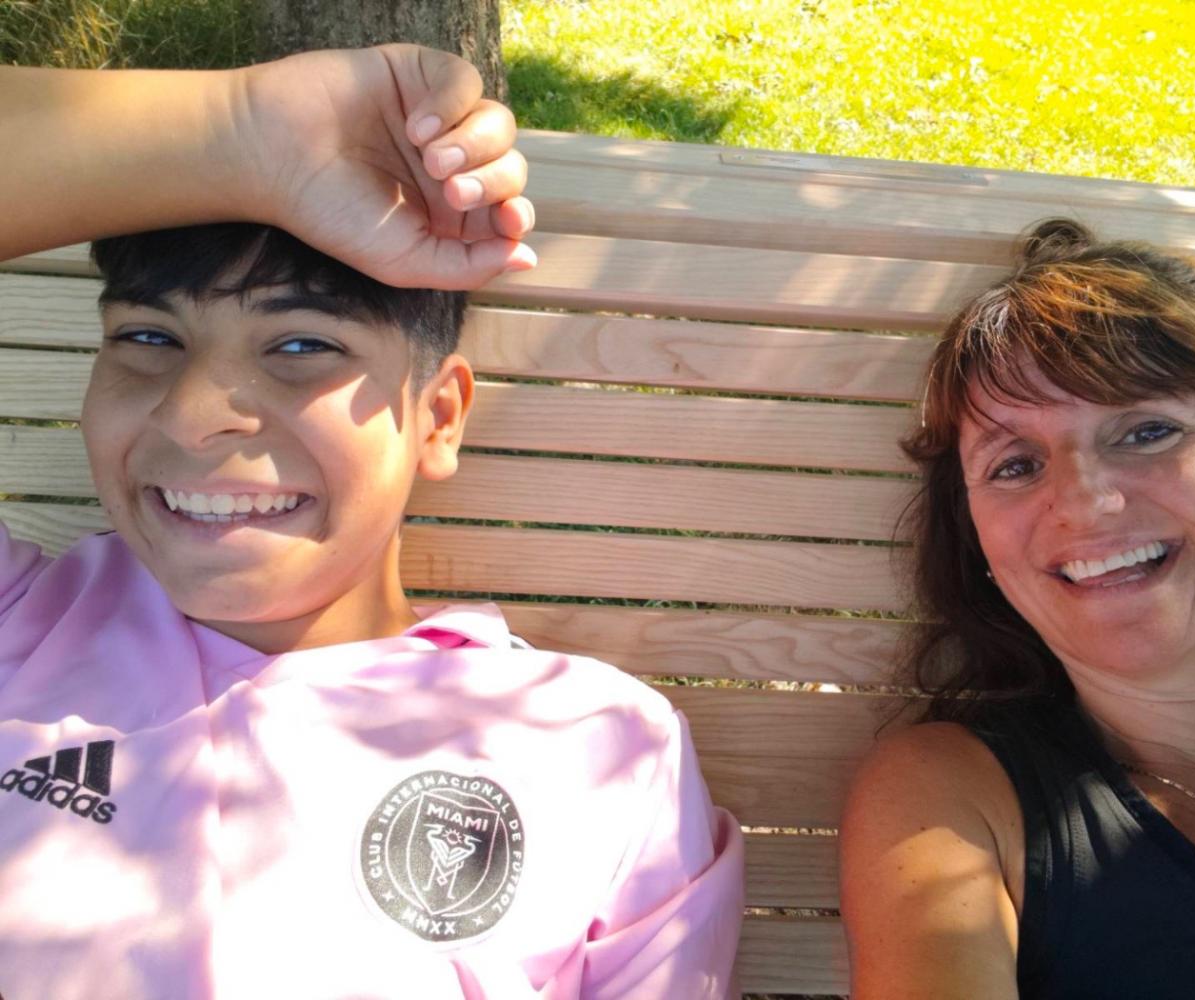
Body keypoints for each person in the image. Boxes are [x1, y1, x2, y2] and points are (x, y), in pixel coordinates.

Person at [0, 45, 743, 998]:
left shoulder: (602, 746)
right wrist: (237, 131)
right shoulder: (16, 624)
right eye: (148, 336)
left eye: (301, 344)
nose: (193, 413)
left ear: (438, 419)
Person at [840, 219, 1195, 998]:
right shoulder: (953, 801)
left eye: (1146, 431)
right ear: (976, 542)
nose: (1082, 501)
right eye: (1014, 465)